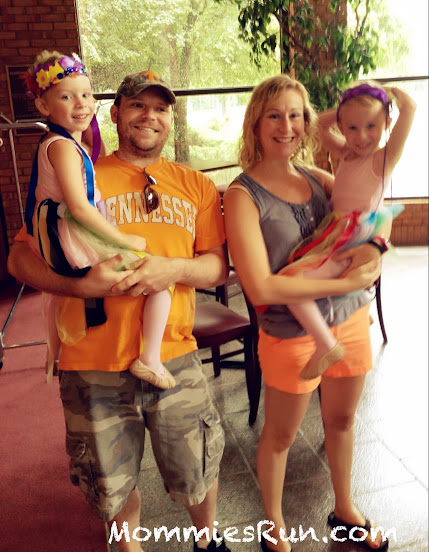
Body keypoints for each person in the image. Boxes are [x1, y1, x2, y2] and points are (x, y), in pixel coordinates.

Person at [8, 69, 230, 552]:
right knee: (110, 481)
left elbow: (216, 268)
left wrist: (172, 270)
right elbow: (19, 257)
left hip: (173, 355)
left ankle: (207, 541)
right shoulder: (80, 172)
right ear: (114, 113)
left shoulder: (196, 185)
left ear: (170, 119)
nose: (150, 116)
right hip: (92, 362)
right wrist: (79, 284)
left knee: (198, 462)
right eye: (137, 105)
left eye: (160, 108)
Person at [223, 75, 388, 551]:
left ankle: (345, 508)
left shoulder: (319, 179)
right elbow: (260, 286)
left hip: (349, 319)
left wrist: (376, 247)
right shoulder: (242, 195)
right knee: (281, 435)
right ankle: (274, 522)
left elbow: (367, 217)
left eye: (295, 115)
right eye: (274, 115)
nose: (286, 126)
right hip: (289, 333)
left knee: (342, 421)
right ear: (256, 124)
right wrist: (349, 281)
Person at [23, 50, 176, 390]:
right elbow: (80, 207)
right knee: (159, 280)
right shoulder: (62, 146)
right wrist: (123, 240)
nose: (81, 103)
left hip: (65, 231)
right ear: (44, 106)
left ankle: (68, 353)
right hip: (73, 235)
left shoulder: (67, 145)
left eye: (86, 94)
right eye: (67, 97)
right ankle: (149, 360)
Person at [256, 81, 416, 380]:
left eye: (371, 126)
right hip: (336, 232)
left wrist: (390, 93)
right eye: (352, 127)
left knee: (292, 282)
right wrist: (345, 107)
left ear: (387, 124)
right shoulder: (348, 154)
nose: (361, 136)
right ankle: (355, 312)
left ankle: (326, 344)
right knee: (303, 274)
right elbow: (316, 126)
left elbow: (410, 109)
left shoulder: (382, 160)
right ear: (342, 127)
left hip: (351, 236)